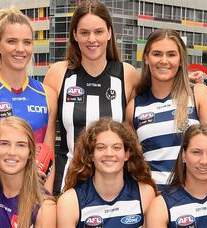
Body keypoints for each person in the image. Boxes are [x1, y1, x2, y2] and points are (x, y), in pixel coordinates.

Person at [44, 0, 139, 194]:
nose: (92, 39)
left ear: (109, 33)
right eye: (85, 32)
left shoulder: (127, 74)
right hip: (67, 184)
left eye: (98, 31)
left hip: (114, 187)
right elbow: (46, 137)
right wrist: (45, 191)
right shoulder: (58, 73)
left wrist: (185, 79)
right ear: (75, 35)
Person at [128, 29, 207, 190]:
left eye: (171, 54)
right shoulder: (134, 107)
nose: (164, 61)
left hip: (194, 199)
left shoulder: (198, 94)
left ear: (180, 60)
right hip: (154, 200)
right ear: (146, 58)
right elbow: (132, 161)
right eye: (157, 54)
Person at [0, 6, 57, 189]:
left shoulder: (47, 95)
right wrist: (24, 168)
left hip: (33, 197)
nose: (20, 49)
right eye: (12, 41)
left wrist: (46, 200)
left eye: (27, 42)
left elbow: (49, 156)